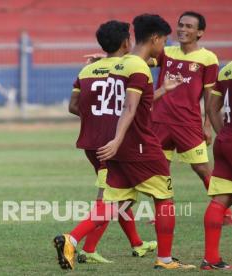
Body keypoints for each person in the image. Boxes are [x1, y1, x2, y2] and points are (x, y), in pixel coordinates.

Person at [54, 14, 196, 271]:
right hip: (139, 144)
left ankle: (71, 239)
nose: (163, 47)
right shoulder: (137, 67)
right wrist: (119, 139)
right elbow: (129, 109)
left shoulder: (120, 65)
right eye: (163, 41)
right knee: (165, 199)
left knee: (113, 204)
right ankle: (165, 259)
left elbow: (132, 104)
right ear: (154, 38)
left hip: (118, 147)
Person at [55, 20, 156, 268]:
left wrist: (97, 118)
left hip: (91, 142)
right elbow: (133, 99)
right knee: (113, 200)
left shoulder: (87, 70)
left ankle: (137, 243)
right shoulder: (132, 66)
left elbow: (73, 107)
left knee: (119, 194)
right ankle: (79, 243)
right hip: (116, 144)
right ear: (126, 42)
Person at [149, 12, 232, 222]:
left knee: (202, 168)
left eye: (189, 26)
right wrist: (107, 59)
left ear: (200, 32)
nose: (183, 30)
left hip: (188, 123)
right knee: (160, 168)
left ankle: (225, 211)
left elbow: (209, 96)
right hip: (159, 121)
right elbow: (138, 59)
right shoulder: (166, 52)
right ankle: (163, 211)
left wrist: (206, 125)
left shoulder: (208, 58)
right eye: (180, 25)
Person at [201, 61, 232, 270]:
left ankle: (211, 259)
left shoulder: (227, 68)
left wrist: (224, 135)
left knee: (220, 201)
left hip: (225, 139)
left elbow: (212, 108)